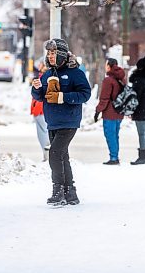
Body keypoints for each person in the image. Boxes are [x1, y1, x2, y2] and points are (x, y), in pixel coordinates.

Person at [31, 38, 91, 206]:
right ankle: (70, 193)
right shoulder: (48, 74)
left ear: (62, 54)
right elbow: (41, 96)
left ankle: (58, 190)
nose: (50, 56)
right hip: (53, 121)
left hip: (69, 121)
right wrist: (36, 88)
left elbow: (85, 94)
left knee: (55, 154)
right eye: (48, 53)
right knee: (63, 156)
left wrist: (63, 97)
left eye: (53, 53)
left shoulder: (75, 73)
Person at [94, 58, 126, 165]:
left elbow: (104, 98)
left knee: (110, 135)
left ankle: (114, 158)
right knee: (115, 135)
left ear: (109, 66)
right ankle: (115, 156)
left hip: (110, 113)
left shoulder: (108, 80)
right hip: (119, 111)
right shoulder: (122, 78)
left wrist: (98, 111)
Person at [129, 56, 145, 165]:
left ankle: (142, 157)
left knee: (141, 133)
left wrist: (130, 109)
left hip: (141, 109)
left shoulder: (139, 80)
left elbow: (135, 96)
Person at [31, 60, 50, 161]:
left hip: (41, 110)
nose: (39, 66)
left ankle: (47, 154)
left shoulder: (44, 77)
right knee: (42, 133)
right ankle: (46, 154)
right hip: (38, 109)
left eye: (41, 65)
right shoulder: (41, 76)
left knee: (43, 133)